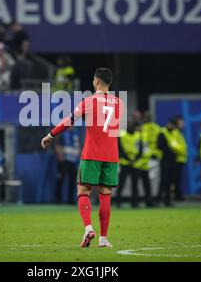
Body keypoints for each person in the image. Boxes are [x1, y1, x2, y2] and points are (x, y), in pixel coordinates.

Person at [41, 67, 123, 248]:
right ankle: (103, 238)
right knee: (105, 194)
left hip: (92, 153)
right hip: (111, 156)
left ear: (96, 81)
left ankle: (88, 228)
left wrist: (51, 135)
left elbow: (69, 120)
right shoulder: (119, 103)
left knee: (83, 191)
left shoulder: (89, 101)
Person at [117, 121, 153, 208]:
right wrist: (129, 159)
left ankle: (135, 202)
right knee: (122, 183)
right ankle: (118, 201)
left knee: (135, 183)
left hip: (135, 163)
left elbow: (141, 149)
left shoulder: (138, 135)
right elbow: (119, 148)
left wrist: (135, 159)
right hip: (125, 162)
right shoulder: (122, 135)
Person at [54, 127, 81, 204]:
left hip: (73, 161)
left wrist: (78, 156)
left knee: (72, 181)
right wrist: (60, 157)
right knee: (61, 179)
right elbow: (57, 145)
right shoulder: (62, 133)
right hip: (64, 160)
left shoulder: (76, 134)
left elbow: (78, 145)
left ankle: (71, 199)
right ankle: (58, 199)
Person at [140, 111, 163, 202]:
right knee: (147, 180)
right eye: (147, 116)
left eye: (149, 116)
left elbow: (160, 143)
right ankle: (148, 199)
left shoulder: (156, 128)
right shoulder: (143, 128)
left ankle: (152, 199)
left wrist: (156, 154)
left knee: (152, 181)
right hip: (144, 158)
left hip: (152, 158)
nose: (148, 118)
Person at [157, 119, 179, 207]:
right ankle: (159, 199)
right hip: (165, 159)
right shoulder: (162, 132)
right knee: (164, 180)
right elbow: (160, 146)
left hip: (173, 159)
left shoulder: (175, 133)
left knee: (170, 181)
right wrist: (171, 151)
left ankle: (167, 200)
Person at [171, 115, 188, 201]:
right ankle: (176, 196)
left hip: (181, 159)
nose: (183, 124)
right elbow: (173, 145)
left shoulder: (179, 133)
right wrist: (181, 151)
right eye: (181, 122)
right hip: (177, 159)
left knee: (177, 179)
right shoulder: (175, 133)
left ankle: (177, 195)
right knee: (175, 179)